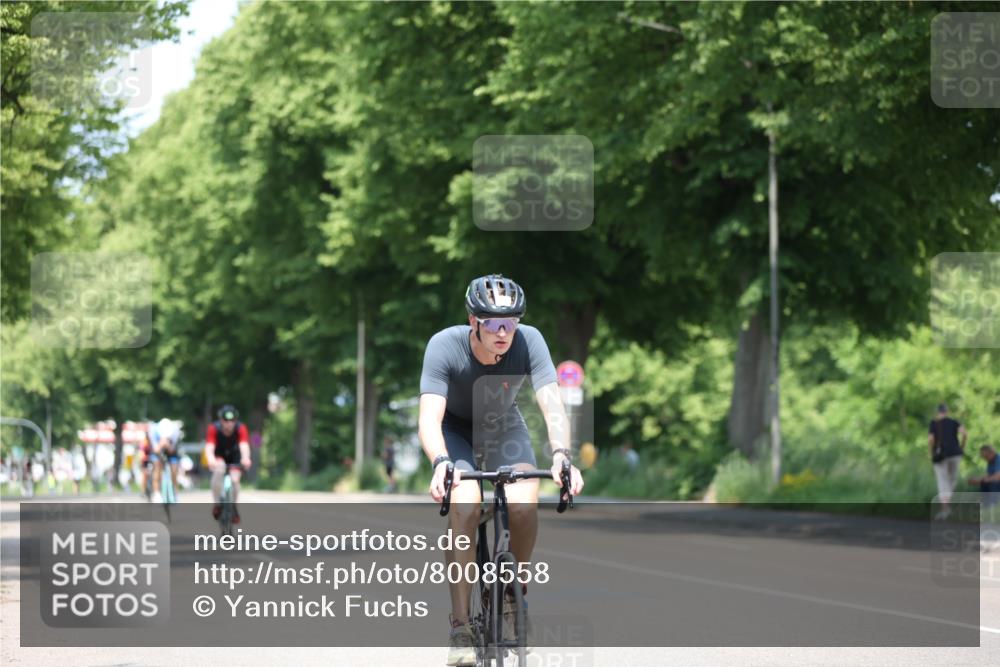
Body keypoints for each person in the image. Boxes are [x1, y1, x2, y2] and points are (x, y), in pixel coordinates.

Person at [419, 274, 584, 666]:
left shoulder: (530, 342)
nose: (504, 332)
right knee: (465, 506)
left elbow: (551, 403)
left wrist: (561, 453)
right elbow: (429, 418)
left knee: (525, 503)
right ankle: (460, 626)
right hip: (455, 430)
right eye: (493, 323)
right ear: (473, 321)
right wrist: (441, 461)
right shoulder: (444, 346)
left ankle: (513, 593)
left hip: (502, 428)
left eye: (512, 322)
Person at [205, 405, 251, 523]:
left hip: (235, 456)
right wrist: (210, 459)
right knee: (218, 472)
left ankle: (233, 506)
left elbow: (244, 445)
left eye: (232, 420)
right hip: (219, 456)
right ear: (221, 420)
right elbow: (210, 446)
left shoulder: (241, 428)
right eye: (226, 420)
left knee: (235, 480)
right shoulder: (213, 428)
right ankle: (217, 504)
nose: (229, 423)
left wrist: (246, 458)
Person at [929, 403, 967, 519]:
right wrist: (962, 447)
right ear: (947, 412)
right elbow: (965, 434)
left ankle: (945, 509)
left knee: (942, 481)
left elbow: (930, 439)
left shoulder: (934, 423)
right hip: (956, 454)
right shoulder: (954, 422)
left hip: (941, 456)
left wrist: (932, 453)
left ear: (938, 412)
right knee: (952, 480)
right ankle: (950, 507)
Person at [151, 418, 182, 502]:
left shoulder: (175, 431)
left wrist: (167, 445)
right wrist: (161, 443)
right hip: (158, 448)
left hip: (171, 450)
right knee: (157, 467)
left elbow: (173, 450)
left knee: (174, 469)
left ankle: (175, 492)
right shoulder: (153, 430)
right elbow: (156, 449)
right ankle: (156, 493)